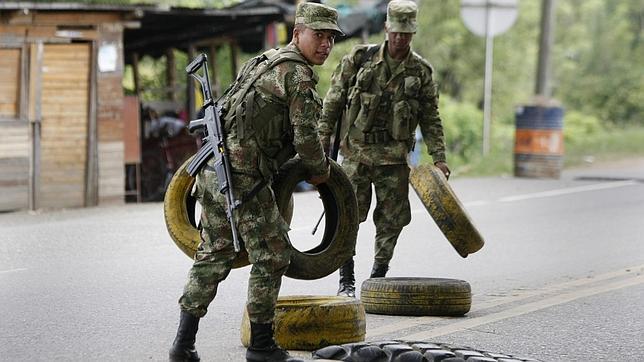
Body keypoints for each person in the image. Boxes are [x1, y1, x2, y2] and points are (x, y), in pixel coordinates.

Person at [168, 3, 342, 362]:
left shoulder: (265, 60)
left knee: (214, 255)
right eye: (318, 35)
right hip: (243, 177)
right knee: (274, 256)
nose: (325, 45)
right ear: (298, 34)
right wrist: (320, 170)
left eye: (330, 38)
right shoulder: (297, 75)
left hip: (214, 169)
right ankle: (261, 346)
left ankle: (182, 346)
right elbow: (307, 139)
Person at [318, 0, 451, 298]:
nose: (400, 39)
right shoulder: (359, 59)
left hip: (393, 159)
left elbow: (431, 118)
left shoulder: (421, 71)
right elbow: (333, 102)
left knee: (392, 221)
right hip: (356, 154)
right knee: (347, 216)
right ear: (387, 28)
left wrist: (439, 158)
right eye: (396, 33)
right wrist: (320, 142)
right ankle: (346, 280)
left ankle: (377, 278)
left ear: (413, 33)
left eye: (406, 34)